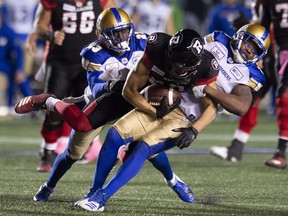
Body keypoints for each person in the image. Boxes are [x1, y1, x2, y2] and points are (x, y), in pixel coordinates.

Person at [75, 23, 270, 212]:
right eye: (248, 42)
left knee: (143, 148)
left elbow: (241, 107)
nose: (248, 50)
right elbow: (187, 52)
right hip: (167, 98)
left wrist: (208, 95)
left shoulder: (250, 74)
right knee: (114, 136)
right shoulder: (217, 39)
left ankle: (101, 198)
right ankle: (94, 191)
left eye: (255, 49)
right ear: (239, 36)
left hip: (189, 116)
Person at [15, 8, 195, 204]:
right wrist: (113, 83)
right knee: (74, 152)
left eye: (125, 31)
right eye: (116, 33)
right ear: (102, 34)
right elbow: (96, 87)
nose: (122, 37)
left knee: (149, 147)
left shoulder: (144, 42)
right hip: (108, 99)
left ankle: (173, 181)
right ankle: (48, 185)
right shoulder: (93, 53)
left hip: (138, 99)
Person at [25, 0, 117, 172]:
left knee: (88, 110)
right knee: (52, 109)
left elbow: (117, 19)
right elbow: (40, 26)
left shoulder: (101, 1)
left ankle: (80, 148)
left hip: (90, 64)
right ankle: (48, 149)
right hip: (60, 63)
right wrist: (50, 35)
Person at [209, 0, 278, 163]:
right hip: (270, 56)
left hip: (281, 56)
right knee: (251, 102)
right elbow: (264, 26)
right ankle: (236, 148)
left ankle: (281, 151)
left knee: (284, 101)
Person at [256, 0, 288, 169]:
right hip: (282, 53)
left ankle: (281, 153)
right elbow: (264, 27)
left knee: (284, 97)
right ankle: (280, 153)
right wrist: (260, 54)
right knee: (283, 98)